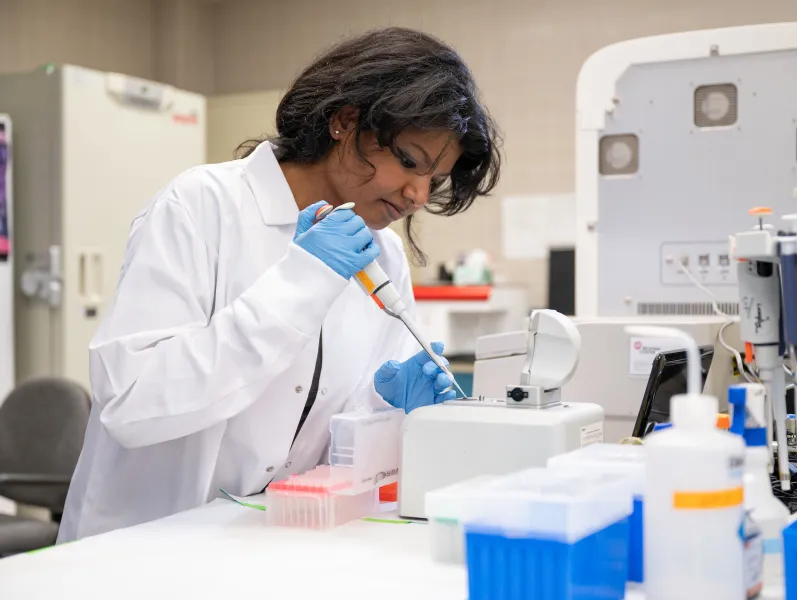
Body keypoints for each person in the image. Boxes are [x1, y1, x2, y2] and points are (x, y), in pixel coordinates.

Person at [57, 27, 501, 542]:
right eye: (408, 161)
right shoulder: (202, 206)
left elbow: (334, 449)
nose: (418, 194)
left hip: (269, 544)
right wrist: (301, 282)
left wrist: (390, 412)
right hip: (139, 547)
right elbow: (131, 404)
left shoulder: (381, 254)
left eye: (435, 179)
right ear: (344, 120)